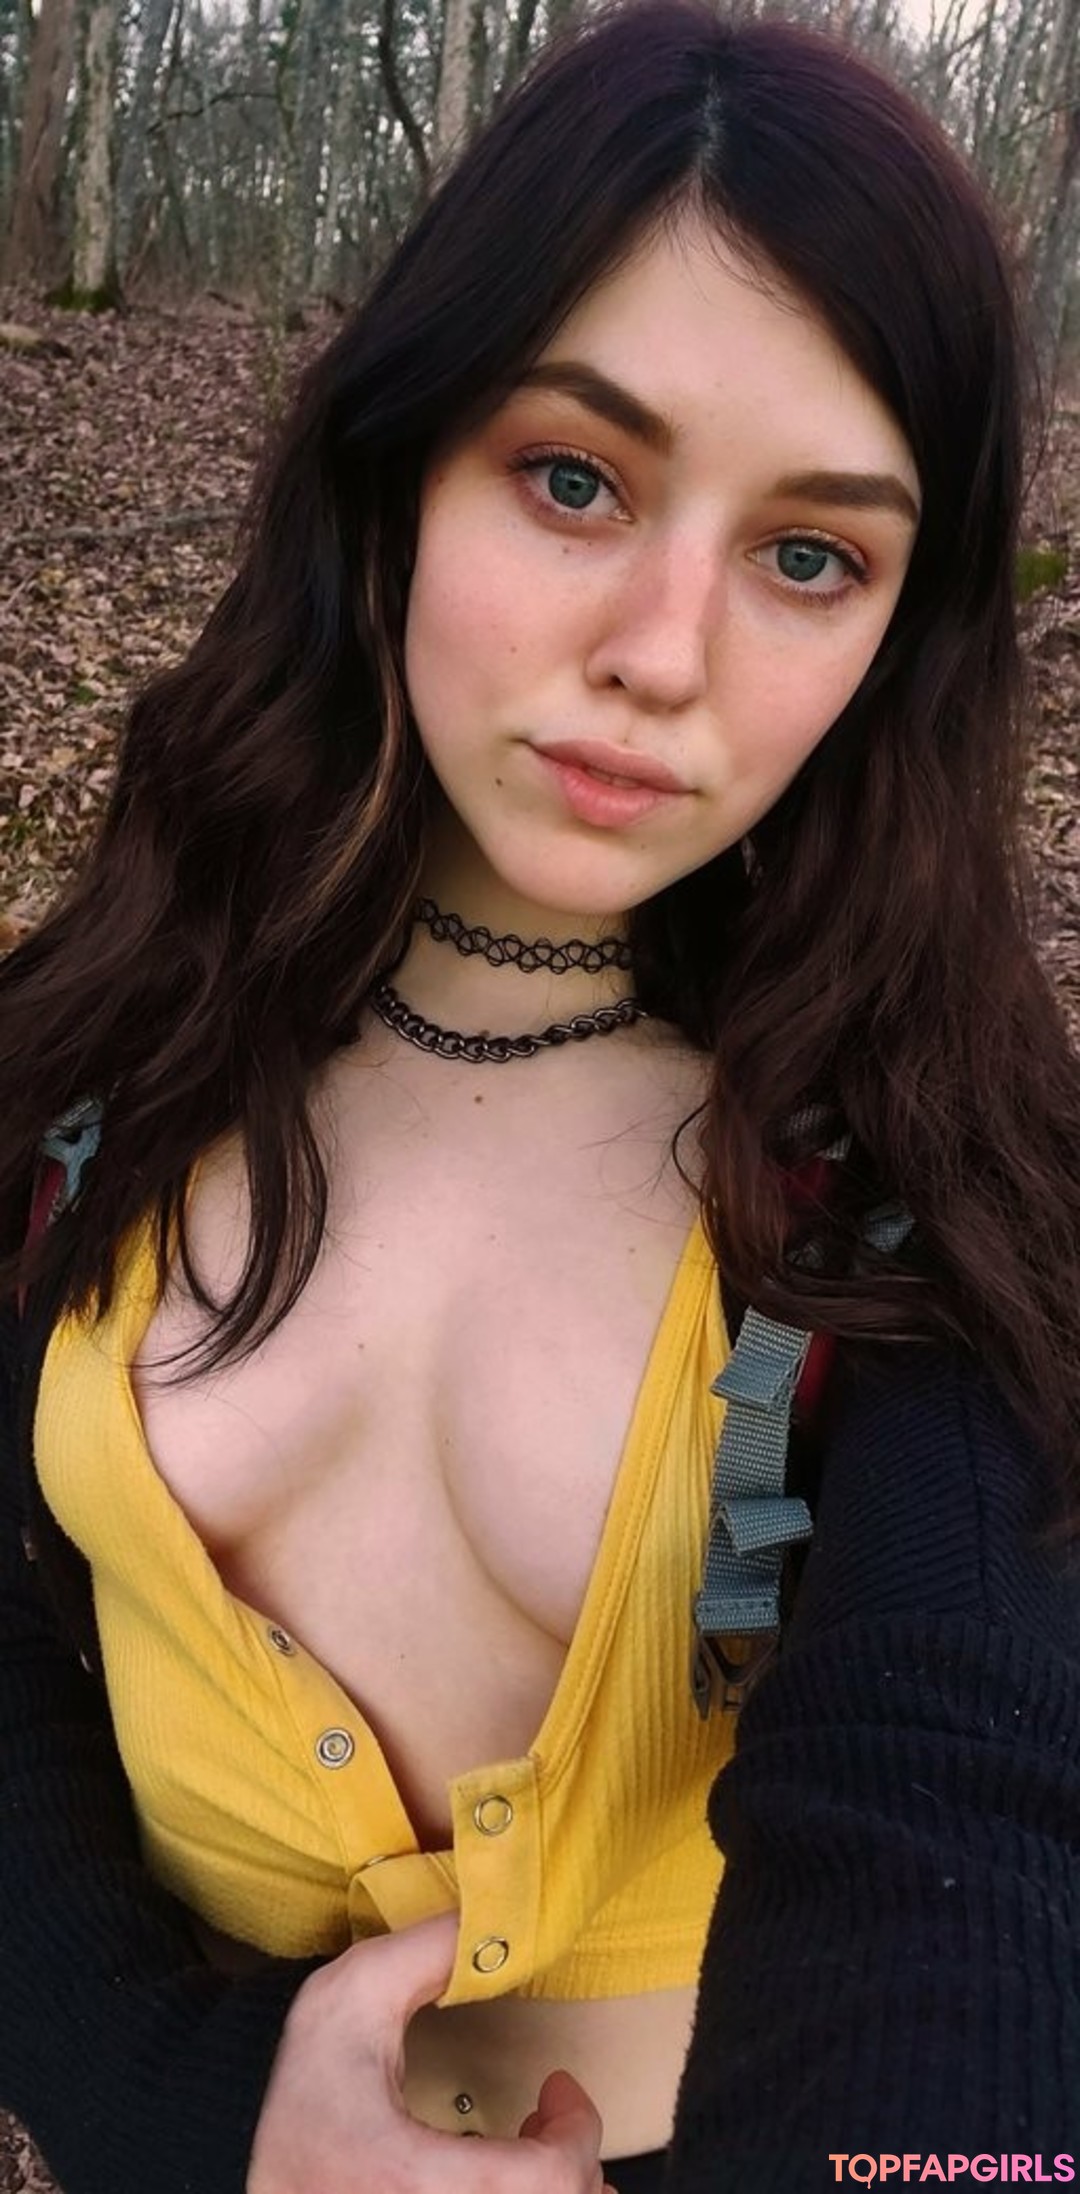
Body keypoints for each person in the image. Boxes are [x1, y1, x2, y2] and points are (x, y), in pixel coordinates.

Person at [1, 2, 1079, 2189]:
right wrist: (176, 2103)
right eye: (575, 477)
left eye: (810, 555)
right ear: (400, 459)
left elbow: (972, 1836)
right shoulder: (95, 1050)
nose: (664, 654)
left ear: (901, 634)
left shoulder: (916, 1201)